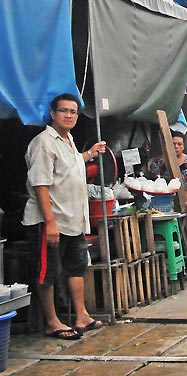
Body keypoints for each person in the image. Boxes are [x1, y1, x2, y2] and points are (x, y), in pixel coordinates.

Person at [23, 93, 106, 340]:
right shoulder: (43, 143)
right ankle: (52, 322)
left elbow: (71, 166)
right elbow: (40, 184)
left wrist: (90, 154)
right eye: (64, 111)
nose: (69, 115)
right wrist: (49, 223)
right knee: (47, 272)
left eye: (73, 112)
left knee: (76, 268)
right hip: (51, 221)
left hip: (73, 221)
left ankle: (81, 315)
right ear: (52, 113)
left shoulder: (68, 140)